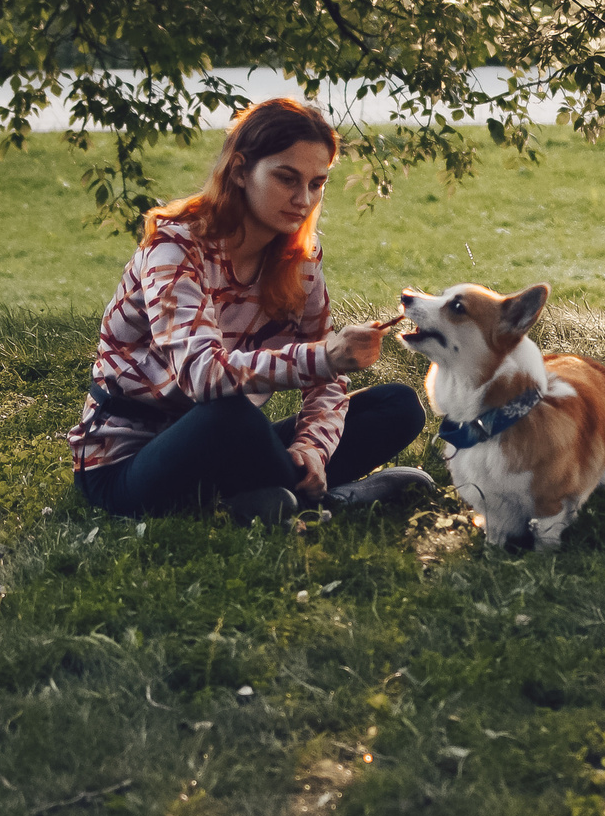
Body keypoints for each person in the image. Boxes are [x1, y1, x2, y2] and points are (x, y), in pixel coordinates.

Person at [71, 97, 436, 525]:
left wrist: (312, 449)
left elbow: (327, 382)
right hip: (125, 463)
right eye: (286, 178)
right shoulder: (175, 248)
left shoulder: (300, 259)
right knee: (228, 412)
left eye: (317, 184)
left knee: (398, 404)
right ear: (241, 170)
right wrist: (326, 357)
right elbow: (202, 378)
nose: (303, 199)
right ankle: (329, 501)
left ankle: (274, 494)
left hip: (232, 445)